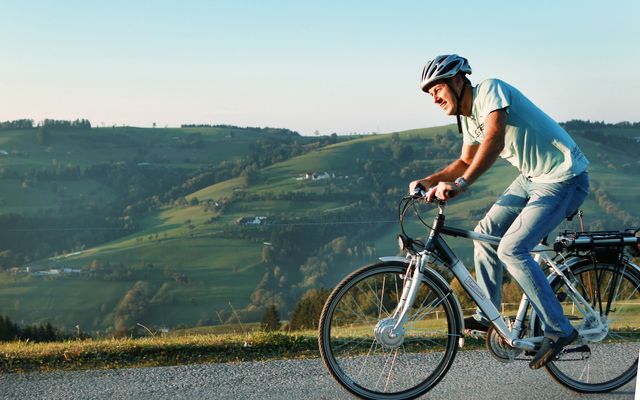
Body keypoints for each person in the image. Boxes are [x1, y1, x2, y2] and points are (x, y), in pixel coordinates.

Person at [409, 54, 590, 369]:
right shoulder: (467, 118)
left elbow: (492, 140)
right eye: (428, 94)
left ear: (456, 80)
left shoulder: (490, 90)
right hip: (531, 179)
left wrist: (461, 185)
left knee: (511, 249)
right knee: (484, 234)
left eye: (436, 88)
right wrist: (429, 180)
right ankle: (489, 312)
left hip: (564, 178)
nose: (433, 97)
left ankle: (560, 329)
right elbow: (464, 161)